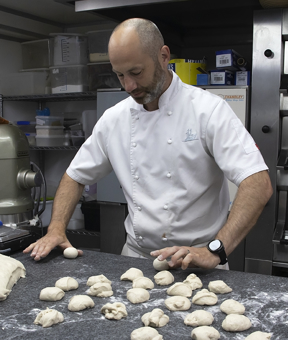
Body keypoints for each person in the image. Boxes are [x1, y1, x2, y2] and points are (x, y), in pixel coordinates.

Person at [24, 18, 272, 270]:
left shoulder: (208, 111)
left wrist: (216, 250)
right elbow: (75, 176)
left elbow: (257, 183)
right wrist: (55, 229)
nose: (129, 86)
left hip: (198, 262)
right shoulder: (115, 119)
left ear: (163, 56)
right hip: (137, 259)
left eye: (136, 72)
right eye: (120, 75)